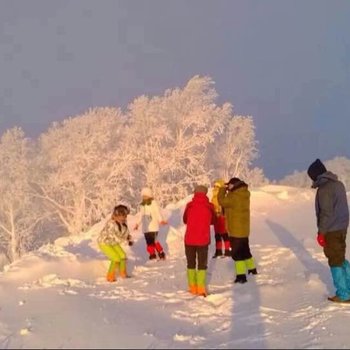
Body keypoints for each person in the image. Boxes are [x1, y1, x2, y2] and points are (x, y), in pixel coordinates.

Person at [307, 158, 350, 303]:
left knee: (335, 261)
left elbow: (326, 213)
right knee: (340, 258)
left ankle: (344, 294)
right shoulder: (338, 184)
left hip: (331, 230)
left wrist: (321, 232)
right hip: (342, 228)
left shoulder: (324, 189)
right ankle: (348, 288)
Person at [218, 177, 257, 284]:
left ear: (234, 185)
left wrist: (222, 189)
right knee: (245, 251)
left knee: (237, 254)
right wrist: (228, 190)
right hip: (244, 230)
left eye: (229, 185)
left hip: (236, 230)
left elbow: (222, 201)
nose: (228, 187)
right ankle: (252, 269)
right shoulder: (243, 194)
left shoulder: (235, 197)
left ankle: (241, 276)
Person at [183, 185, 216, 297]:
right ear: (205, 194)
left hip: (189, 240)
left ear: (195, 193)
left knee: (190, 263)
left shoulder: (189, 205)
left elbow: (185, 220)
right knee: (202, 264)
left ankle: (192, 287)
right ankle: (201, 288)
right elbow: (213, 221)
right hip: (203, 239)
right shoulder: (209, 206)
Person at [97, 205, 133, 282]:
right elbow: (113, 236)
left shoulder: (123, 223)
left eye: (124, 217)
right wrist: (124, 240)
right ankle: (110, 276)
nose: (122, 219)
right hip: (104, 242)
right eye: (120, 217)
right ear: (115, 216)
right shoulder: (111, 224)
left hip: (113, 242)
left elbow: (125, 232)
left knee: (123, 256)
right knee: (116, 258)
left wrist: (128, 237)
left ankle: (123, 273)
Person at [134, 187, 167, 260]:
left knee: (154, 241)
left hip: (153, 226)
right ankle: (152, 254)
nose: (144, 197)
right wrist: (137, 224)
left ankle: (160, 253)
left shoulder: (153, 203)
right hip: (146, 228)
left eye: (146, 196)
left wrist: (160, 220)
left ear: (150, 196)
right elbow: (141, 215)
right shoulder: (142, 205)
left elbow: (157, 212)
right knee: (149, 243)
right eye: (143, 196)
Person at [211, 179, 231, 258]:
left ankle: (220, 251)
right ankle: (225, 250)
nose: (215, 187)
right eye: (215, 186)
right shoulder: (220, 195)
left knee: (219, 234)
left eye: (217, 186)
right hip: (220, 217)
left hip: (218, 217)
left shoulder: (215, 195)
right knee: (223, 234)